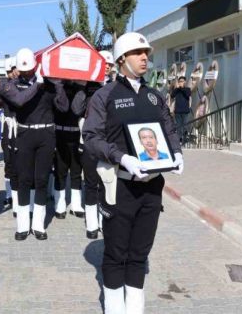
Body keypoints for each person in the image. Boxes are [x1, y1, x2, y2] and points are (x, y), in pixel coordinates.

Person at [83, 32, 183, 313]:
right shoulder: (105, 95)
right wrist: (121, 157)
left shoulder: (154, 96)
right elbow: (91, 137)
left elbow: (169, 128)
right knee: (116, 254)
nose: (144, 58)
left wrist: (176, 153)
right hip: (120, 186)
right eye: (138, 53)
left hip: (151, 187)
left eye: (146, 53)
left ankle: (135, 308)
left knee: (140, 253)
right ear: (121, 59)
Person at [0, 48, 69, 241]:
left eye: (30, 69)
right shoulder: (9, 85)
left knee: (42, 180)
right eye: (23, 70)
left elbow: (63, 107)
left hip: (46, 134)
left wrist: (58, 84)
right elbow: (19, 101)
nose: (27, 73)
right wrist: (37, 84)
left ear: (36, 66)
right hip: (24, 133)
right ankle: (22, 225)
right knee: (24, 179)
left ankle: (38, 225)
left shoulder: (47, 84)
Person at [71, 79, 104, 239]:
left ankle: (104, 221)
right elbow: (76, 109)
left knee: (105, 185)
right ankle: (92, 224)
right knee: (91, 184)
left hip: (106, 145)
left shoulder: (109, 89)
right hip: (88, 144)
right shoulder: (83, 90)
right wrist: (83, 88)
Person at [52, 81, 85, 220]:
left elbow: (79, 110)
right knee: (60, 171)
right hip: (60, 134)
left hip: (77, 134)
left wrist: (82, 87)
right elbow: (62, 108)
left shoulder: (82, 88)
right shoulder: (57, 88)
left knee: (77, 171)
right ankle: (59, 203)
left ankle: (76, 205)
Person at [0, 57, 19, 210]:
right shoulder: (4, 85)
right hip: (9, 125)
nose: (18, 72)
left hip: (21, 127)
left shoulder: (24, 84)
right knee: (9, 162)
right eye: (16, 69)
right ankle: (9, 194)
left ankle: (18, 194)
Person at [170, 76, 191, 144]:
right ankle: (179, 139)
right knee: (178, 126)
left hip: (185, 111)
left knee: (185, 126)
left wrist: (182, 88)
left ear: (185, 82)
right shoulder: (177, 90)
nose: (180, 82)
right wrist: (177, 88)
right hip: (178, 111)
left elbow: (188, 94)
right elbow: (172, 95)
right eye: (179, 81)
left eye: (182, 81)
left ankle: (185, 139)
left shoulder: (187, 89)